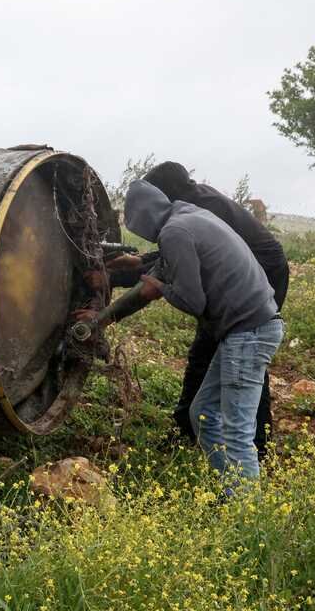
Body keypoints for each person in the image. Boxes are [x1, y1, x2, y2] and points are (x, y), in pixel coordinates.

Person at [94, 180, 284, 482]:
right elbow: (154, 278)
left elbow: (193, 301)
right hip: (247, 328)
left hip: (249, 333)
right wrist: (100, 320)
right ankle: (231, 489)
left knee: (236, 433)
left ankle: (248, 515)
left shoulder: (174, 232)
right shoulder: (190, 215)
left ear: (141, 219)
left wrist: (163, 289)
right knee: (203, 415)